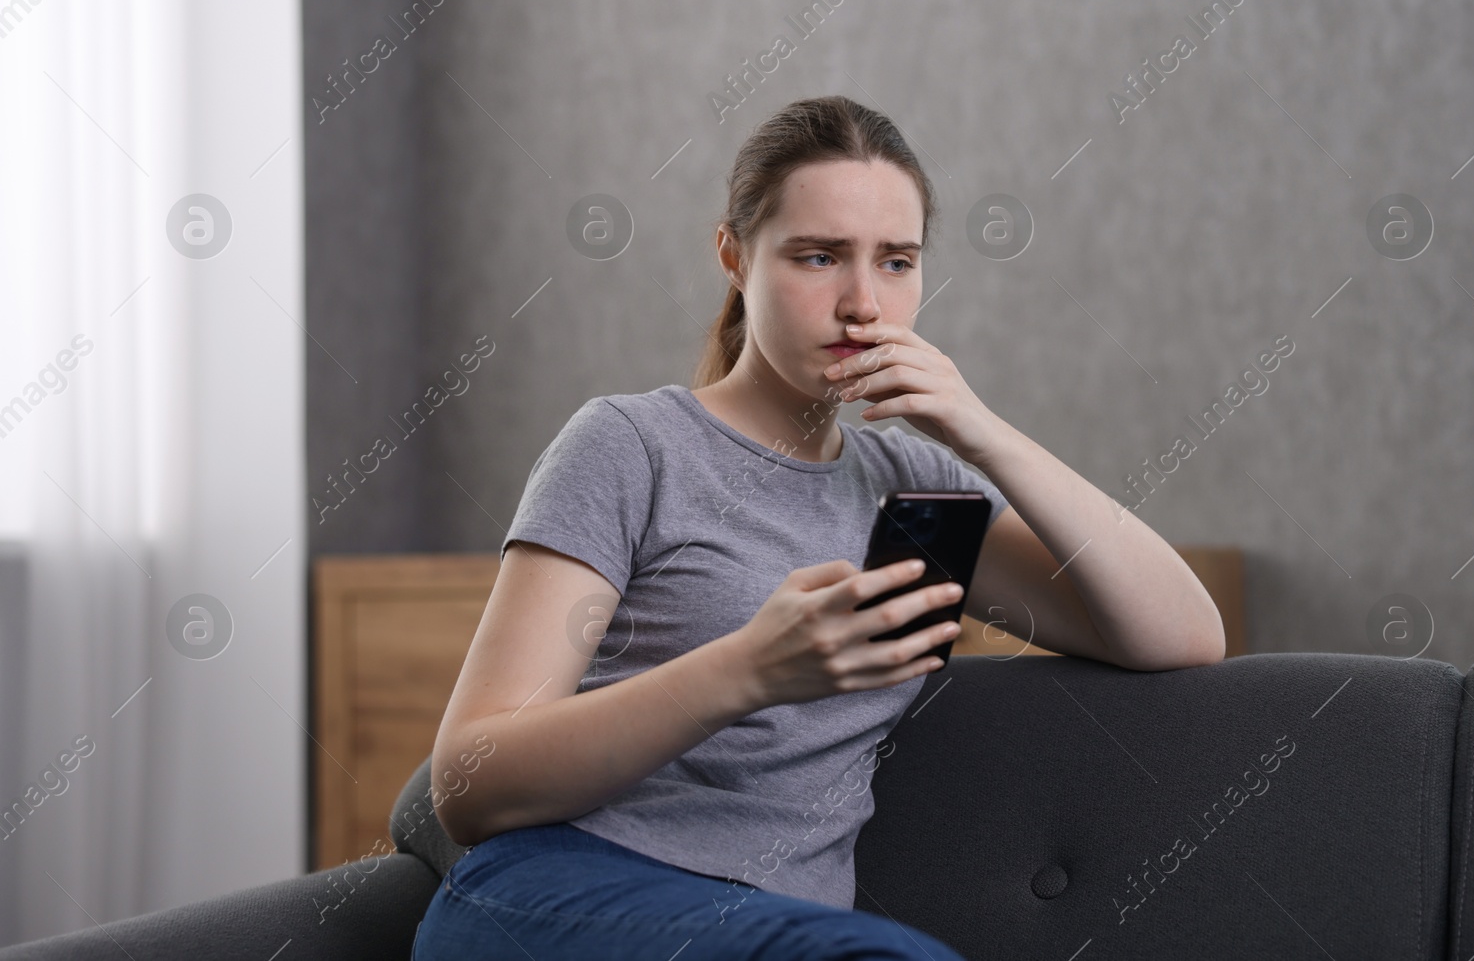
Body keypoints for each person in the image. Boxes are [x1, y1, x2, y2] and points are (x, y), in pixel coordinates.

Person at [411, 95, 1225, 960]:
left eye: (898, 262)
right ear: (734, 256)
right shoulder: (631, 445)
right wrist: (749, 669)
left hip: (781, 929)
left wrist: (984, 433)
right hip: (557, 890)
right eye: (819, 256)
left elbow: (1182, 634)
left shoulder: (917, 490)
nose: (863, 303)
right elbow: (467, 783)